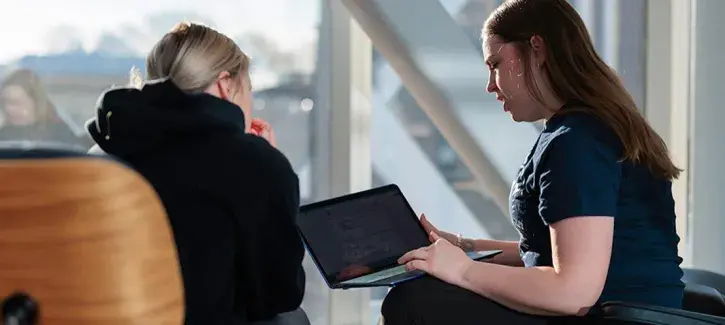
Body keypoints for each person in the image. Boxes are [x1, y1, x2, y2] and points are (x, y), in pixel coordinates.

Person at [381, 0, 684, 324]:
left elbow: (573, 291)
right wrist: (463, 247)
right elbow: (550, 253)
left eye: (495, 63)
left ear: (536, 48)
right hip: (622, 312)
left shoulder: (577, 142)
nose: (490, 85)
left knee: (412, 301)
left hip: (608, 315)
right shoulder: (585, 129)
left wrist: (465, 270)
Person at [85, 22, 308, 325]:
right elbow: (280, 293)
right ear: (226, 85)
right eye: (248, 90)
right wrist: (271, 172)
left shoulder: (98, 159)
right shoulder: (254, 164)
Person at [0, 69, 91, 149]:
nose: (8, 109)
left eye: (16, 103)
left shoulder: (60, 134)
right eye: (5, 102)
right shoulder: (3, 137)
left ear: (36, 102)